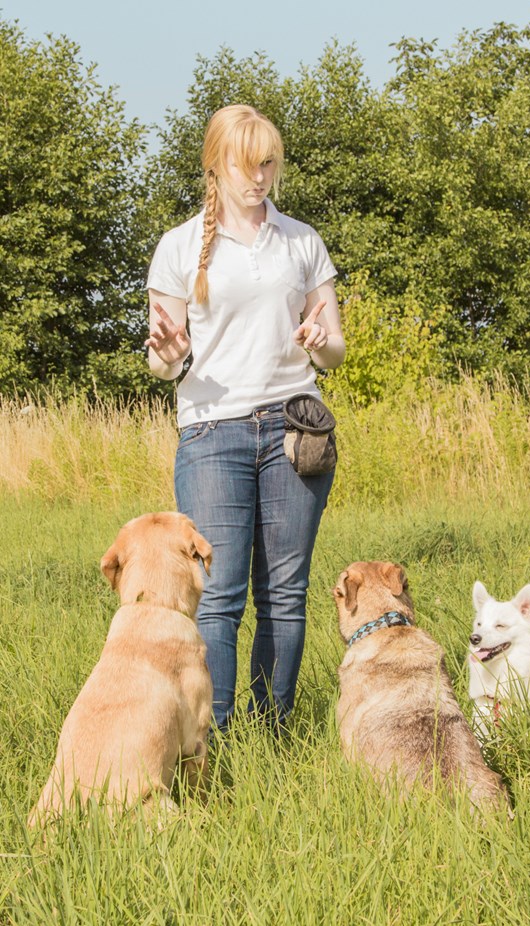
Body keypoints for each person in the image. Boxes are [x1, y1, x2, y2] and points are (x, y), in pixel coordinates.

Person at [145, 104, 345, 733]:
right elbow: (162, 360)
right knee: (219, 597)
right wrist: (171, 356)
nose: (259, 177)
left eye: (269, 163)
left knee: (285, 595)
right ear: (216, 163)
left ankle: (273, 735)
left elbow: (335, 350)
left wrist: (317, 339)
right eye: (246, 163)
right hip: (211, 432)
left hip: (293, 429)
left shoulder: (301, 241)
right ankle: (216, 739)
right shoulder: (178, 247)